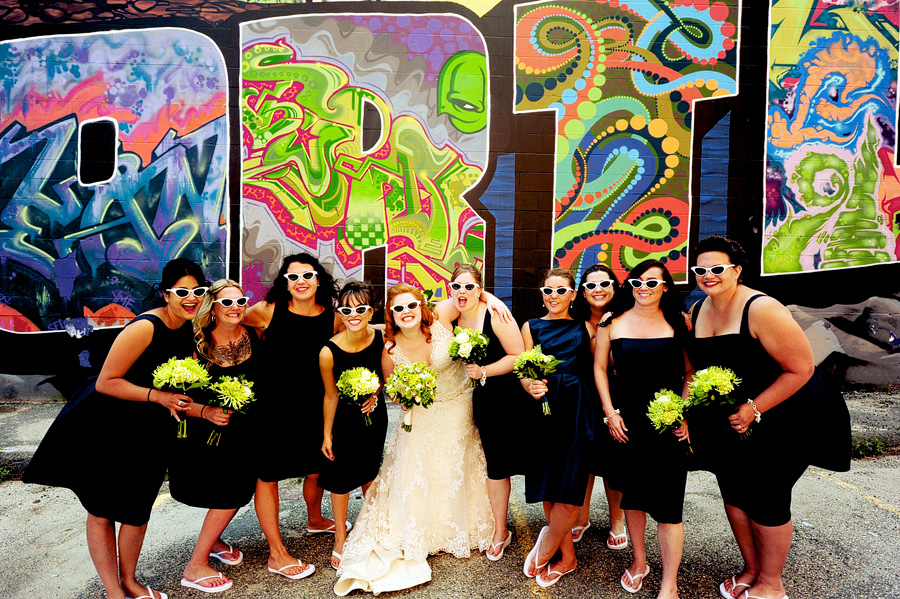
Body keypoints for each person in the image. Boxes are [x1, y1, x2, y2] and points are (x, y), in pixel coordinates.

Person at [23, 258, 207, 599]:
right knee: (103, 509)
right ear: (167, 294)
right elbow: (106, 382)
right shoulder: (145, 327)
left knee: (137, 510)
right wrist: (158, 397)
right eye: (182, 291)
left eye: (198, 291)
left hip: (149, 429)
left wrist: (204, 410)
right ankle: (114, 591)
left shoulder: (186, 326)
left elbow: (176, 391)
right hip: (107, 426)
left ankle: (131, 581)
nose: (191, 297)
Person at [686, 235, 849, 599]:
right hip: (733, 418)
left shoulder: (762, 309)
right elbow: (695, 369)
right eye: (700, 269)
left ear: (737, 270)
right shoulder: (698, 310)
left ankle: (772, 585)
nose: (708, 275)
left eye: (717, 268)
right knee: (733, 491)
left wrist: (754, 408)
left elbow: (801, 368)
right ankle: (752, 569)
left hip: (788, 412)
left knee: (767, 495)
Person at [334, 283, 493, 595]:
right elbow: (393, 387)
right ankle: (421, 530)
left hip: (458, 404)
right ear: (391, 315)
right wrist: (402, 399)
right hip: (421, 411)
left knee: (452, 458)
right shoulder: (390, 349)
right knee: (414, 456)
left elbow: (470, 292)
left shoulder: (442, 318)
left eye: (410, 306)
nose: (406, 312)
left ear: (421, 307)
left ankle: (452, 529)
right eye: (398, 309)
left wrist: (494, 300)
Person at [594, 260, 692, 598]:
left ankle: (670, 583)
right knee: (632, 500)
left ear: (666, 286)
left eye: (653, 282)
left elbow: (691, 373)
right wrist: (609, 412)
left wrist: (682, 412)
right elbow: (600, 369)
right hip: (627, 424)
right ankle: (639, 562)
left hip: (666, 425)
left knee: (668, 507)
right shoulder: (612, 322)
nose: (644, 287)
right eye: (637, 281)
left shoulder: (679, 323)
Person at [243, 253, 341, 579]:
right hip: (272, 410)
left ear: (318, 280)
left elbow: (361, 336)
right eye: (293, 276)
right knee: (268, 477)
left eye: (307, 275)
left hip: (315, 407)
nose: (301, 282)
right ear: (284, 282)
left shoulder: (333, 318)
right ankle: (276, 553)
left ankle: (315, 519)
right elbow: (225, 321)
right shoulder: (267, 311)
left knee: (316, 469)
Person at [168, 280, 262, 592]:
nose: (236, 307)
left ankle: (215, 539)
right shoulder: (197, 344)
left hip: (245, 429)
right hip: (204, 430)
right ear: (213, 309)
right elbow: (174, 395)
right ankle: (195, 565)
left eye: (241, 300)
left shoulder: (256, 335)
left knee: (236, 489)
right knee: (229, 493)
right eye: (227, 302)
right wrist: (205, 411)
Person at [520, 268, 596, 588]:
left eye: (561, 291)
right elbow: (525, 368)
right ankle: (567, 557)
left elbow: (600, 370)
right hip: (544, 407)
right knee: (549, 486)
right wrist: (530, 386)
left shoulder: (587, 328)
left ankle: (544, 549)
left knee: (570, 490)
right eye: (548, 291)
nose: (554, 296)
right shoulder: (531, 326)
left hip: (578, 409)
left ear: (573, 294)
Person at [449, 264, 526, 561]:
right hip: (475, 400)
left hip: (506, 397)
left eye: (470, 286)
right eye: (457, 286)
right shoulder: (452, 315)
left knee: (516, 462)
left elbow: (518, 355)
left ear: (480, 289)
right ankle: (499, 529)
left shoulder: (496, 315)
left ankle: (563, 523)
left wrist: (484, 371)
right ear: (449, 289)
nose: (463, 292)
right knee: (494, 466)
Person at [320, 281, 388, 570]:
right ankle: (340, 536)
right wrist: (326, 434)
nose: (354, 314)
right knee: (341, 479)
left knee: (370, 472)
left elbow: (387, 376)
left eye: (360, 308)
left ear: (370, 311)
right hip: (344, 420)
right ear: (340, 312)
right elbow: (330, 395)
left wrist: (375, 394)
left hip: (374, 416)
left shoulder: (382, 339)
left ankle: (370, 529)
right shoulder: (328, 352)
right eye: (346, 309)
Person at [571, 264, 627, 550]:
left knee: (613, 460)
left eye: (604, 284)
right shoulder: (572, 319)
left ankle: (617, 520)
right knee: (583, 460)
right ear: (583, 292)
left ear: (614, 287)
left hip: (615, 395)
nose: (597, 290)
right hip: (580, 396)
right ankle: (581, 516)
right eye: (591, 286)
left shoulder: (625, 318)